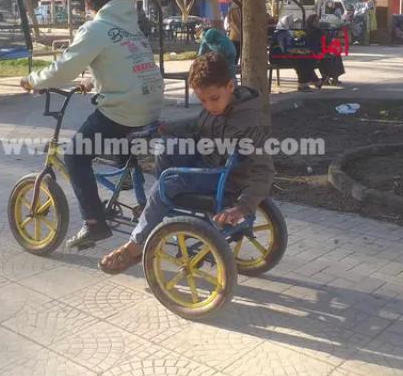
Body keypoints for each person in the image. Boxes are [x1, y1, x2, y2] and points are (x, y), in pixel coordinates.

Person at [20, 0, 165, 249]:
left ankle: (94, 223)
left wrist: (32, 80)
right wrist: (93, 80)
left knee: (74, 155)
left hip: (125, 111)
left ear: (88, 3)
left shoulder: (96, 28)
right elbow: (126, 65)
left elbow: (63, 70)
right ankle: (126, 186)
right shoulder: (130, 26)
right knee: (111, 142)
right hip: (151, 106)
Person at [98, 53, 275, 273]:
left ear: (230, 86)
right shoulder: (222, 104)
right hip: (208, 161)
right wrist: (167, 128)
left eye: (213, 98)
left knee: (166, 183)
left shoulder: (248, 123)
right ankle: (163, 204)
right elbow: (198, 124)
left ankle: (135, 245)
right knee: (164, 148)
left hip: (225, 179)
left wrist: (243, 206)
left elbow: (265, 170)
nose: (209, 105)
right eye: (202, 100)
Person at [269, 15, 322, 91]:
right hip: (277, 57)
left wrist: (298, 51)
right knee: (300, 61)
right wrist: (296, 51)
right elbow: (284, 49)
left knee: (304, 59)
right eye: (290, 23)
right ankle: (305, 84)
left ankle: (310, 82)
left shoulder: (287, 32)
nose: (292, 24)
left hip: (284, 56)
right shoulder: (281, 33)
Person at [225, 0, 243, 65]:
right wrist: (241, 34)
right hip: (236, 38)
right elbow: (233, 23)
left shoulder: (240, 6)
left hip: (239, 37)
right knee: (234, 61)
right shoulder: (235, 7)